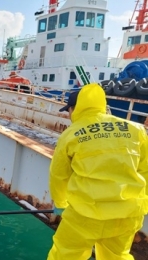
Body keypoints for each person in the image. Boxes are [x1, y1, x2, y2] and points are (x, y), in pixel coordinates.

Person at [48, 83, 148, 260]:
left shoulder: (71, 135)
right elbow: (145, 170)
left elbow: (59, 175)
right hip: (127, 215)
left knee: (66, 254)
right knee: (117, 255)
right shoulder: (135, 130)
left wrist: (60, 204)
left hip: (84, 215)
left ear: (74, 109)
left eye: (68, 110)